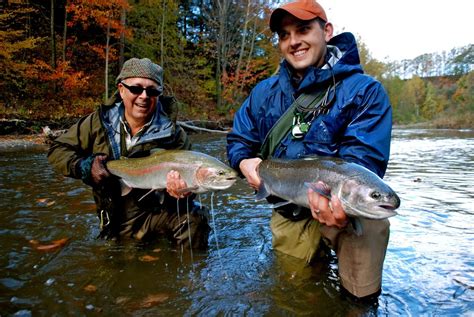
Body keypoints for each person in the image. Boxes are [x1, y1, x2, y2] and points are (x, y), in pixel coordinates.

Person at [227, 0, 392, 300]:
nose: (294, 42)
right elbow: (239, 140)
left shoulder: (364, 91)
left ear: (326, 31)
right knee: (294, 296)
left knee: (373, 222)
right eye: (284, 35)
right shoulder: (263, 94)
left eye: (303, 29)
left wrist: (337, 201)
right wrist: (244, 163)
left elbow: (362, 163)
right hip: (289, 210)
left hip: (346, 212)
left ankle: (359, 301)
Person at [48, 57, 210, 248]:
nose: (144, 96)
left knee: (195, 219)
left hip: (158, 215)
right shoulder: (97, 123)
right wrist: (84, 167)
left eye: (152, 91)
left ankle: (188, 275)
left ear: (158, 95)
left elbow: (192, 186)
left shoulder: (174, 135)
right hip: (114, 218)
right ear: (121, 89)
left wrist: (184, 192)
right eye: (136, 89)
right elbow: (57, 150)